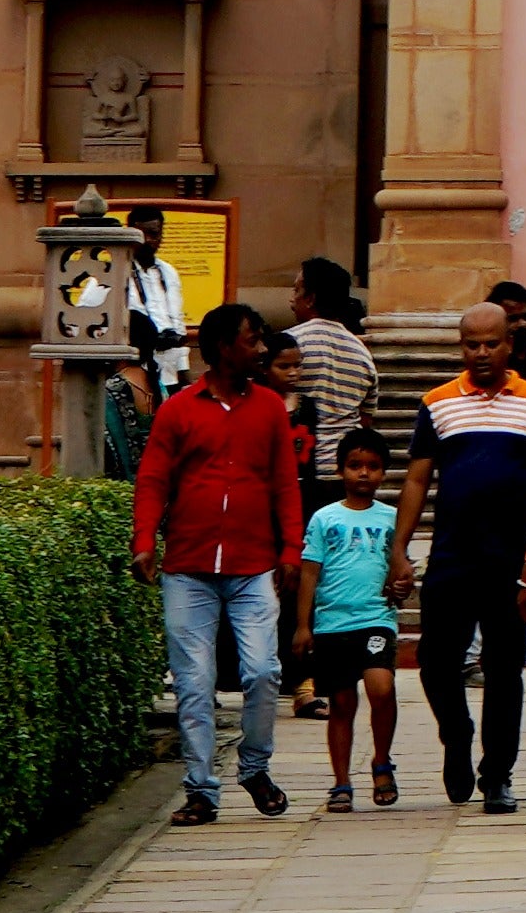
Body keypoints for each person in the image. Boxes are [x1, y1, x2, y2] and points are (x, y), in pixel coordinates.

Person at [129, 302, 305, 826]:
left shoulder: (269, 408)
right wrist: (144, 540)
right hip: (189, 567)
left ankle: (254, 766)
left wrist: (290, 550)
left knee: (263, 671)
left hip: (253, 565)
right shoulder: (179, 410)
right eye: (253, 340)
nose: (262, 349)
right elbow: (153, 479)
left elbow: (284, 484)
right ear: (225, 348)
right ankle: (201, 789)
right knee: (194, 681)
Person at [388, 298, 526, 815]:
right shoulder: (438, 403)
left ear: (510, 344)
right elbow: (417, 478)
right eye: (471, 345)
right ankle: (456, 734)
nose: (481, 353)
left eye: (491, 344)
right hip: (452, 555)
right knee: (436, 662)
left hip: (511, 560)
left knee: (504, 669)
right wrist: (399, 548)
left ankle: (498, 775)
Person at [300, 426, 408, 811]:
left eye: (372, 466)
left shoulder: (394, 519)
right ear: (340, 469)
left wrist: (402, 585)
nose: (363, 473)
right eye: (355, 465)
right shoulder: (324, 518)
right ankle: (341, 781)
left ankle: (382, 761)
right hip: (332, 624)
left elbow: (401, 569)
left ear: (384, 472)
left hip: (376, 618)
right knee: (342, 703)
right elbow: (309, 572)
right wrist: (303, 624)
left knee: (381, 687)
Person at [282, 257, 383, 477]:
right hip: (344, 472)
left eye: (296, 290)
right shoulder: (362, 353)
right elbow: (365, 420)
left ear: (310, 299)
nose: (291, 299)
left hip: (297, 469)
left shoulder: (287, 346)